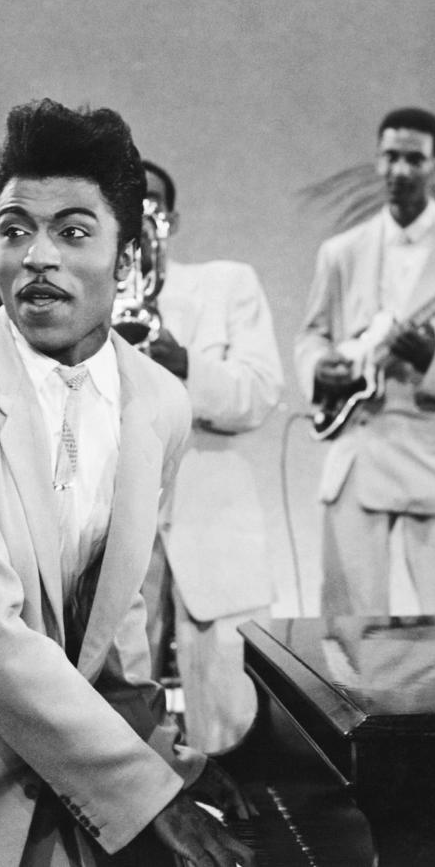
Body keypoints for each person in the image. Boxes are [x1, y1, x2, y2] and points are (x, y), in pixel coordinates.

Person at [0, 100, 254, 867]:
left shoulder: (160, 403)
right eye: (15, 227)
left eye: (73, 231)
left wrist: (169, 752)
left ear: (125, 259)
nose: (37, 256)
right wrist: (148, 792)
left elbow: (114, 618)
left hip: (72, 790)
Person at [295, 107, 435, 616]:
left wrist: (434, 359)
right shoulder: (341, 251)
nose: (400, 171)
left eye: (414, 159)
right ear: (377, 160)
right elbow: (313, 336)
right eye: (390, 157)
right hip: (357, 456)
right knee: (346, 642)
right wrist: (321, 368)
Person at [135, 159, 283, 755]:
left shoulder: (227, 284)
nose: (141, 215)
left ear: (172, 218)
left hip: (213, 532)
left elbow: (261, 394)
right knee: (119, 726)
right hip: (120, 539)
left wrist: (186, 366)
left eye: (152, 204)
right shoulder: (78, 302)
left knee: (231, 727)